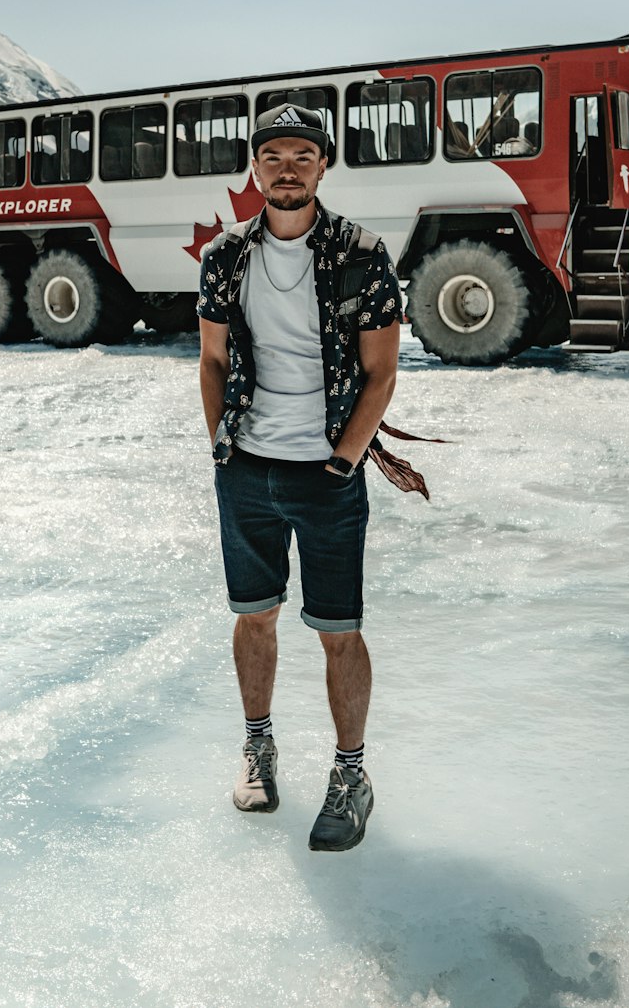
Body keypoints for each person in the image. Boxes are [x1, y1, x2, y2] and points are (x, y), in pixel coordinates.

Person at [197, 102, 403, 852]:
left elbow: (381, 374)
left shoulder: (361, 253)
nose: (287, 170)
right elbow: (214, 361)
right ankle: (259, 748)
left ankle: (352, 775)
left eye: (302, 157)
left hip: (328, 471)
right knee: (254, 616)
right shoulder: (225, 257)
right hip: (247, 469)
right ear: (255, 168)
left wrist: (345, 459)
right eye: (273, 157)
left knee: (339, 631)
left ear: (323, 165)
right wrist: (224, 448)